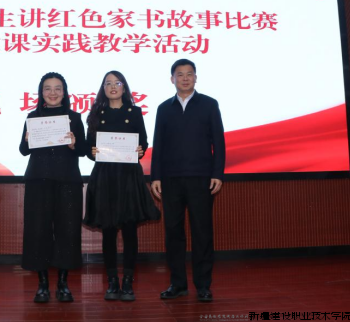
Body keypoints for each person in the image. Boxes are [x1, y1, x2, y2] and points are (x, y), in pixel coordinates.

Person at [150, 59, 226, 302]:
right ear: (172, 79)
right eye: (180, 74)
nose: (185, 78)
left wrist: (217, 174)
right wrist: (155, 176)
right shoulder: (164, 108)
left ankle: (203, 285)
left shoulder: (209, 104)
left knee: (202, 232)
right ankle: (178, 284)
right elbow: (158, 144)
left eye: (189, 74)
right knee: (173, 232)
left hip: (201, 178)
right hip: (171, 179)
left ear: (196, 77)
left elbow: (219, 142)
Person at [83, 71, 160, 302]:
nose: (113, 86)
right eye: (108, 83)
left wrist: (140, 150)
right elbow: (88, 148)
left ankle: (127, 281)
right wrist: (92, 152)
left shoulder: (134, 112)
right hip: (105, 176)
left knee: (129, 229)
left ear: (124, 87)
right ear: (103, 89)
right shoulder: (96, 113)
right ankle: (112, 281)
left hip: (128, 176)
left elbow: (143, 141)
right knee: (108, 230)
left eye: (117, 83)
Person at [19, 72, 87, 303]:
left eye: (58, 88)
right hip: (38, 181)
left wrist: (74, 144)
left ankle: (63, 284)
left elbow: (83, 150)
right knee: (38, 231)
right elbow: (23, 150)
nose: (53, 93)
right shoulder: (32, 117)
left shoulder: (74, 117)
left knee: (67, 231)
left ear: (64, 92)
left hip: (67, 181)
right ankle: (43, 285)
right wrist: (27, 140)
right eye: (48, 88)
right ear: (41, 92)